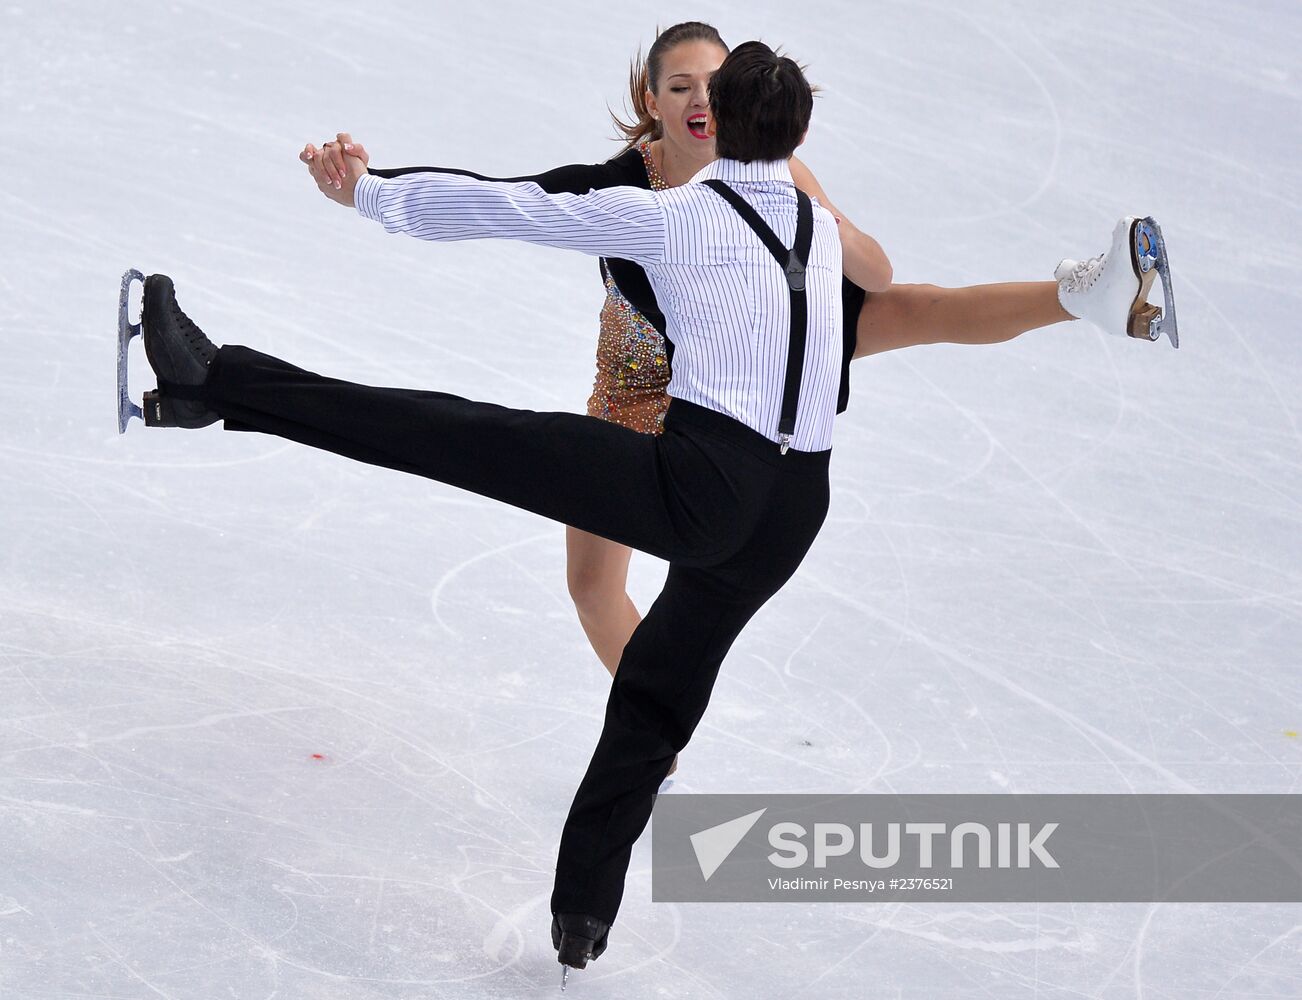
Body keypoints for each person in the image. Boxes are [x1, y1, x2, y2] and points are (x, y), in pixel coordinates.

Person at [134, 40, 871, 973]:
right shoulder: (821, 226)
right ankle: (581, 923)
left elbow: (513, 207)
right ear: (798, 130)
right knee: (655, 699)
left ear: (718, 116)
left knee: (462, 434)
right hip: (796, 510)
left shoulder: (679, 219)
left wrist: (371, 191)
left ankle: (215, 384)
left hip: (705, 483)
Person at [301, 22, 1167, 756]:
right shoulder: (621, 189)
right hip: (643, 387)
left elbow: (877, 267)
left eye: (714, 81)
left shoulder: (773, 166)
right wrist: (367, 188)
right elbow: (504, 200)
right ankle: (656, 738)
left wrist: (807, 198)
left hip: (759, 364)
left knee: (916, 308)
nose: (700, 98)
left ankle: (1087, 294)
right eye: (679, 85)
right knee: (593, 587)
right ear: (652, 101)